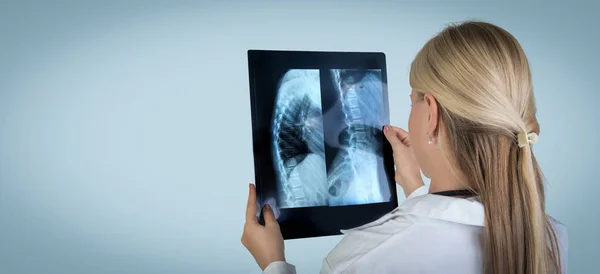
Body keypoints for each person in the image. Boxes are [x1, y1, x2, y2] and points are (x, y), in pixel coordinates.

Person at [241, 21, 568, 274]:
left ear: (432, 114)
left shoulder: (364, 255)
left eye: (413, 100)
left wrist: (274, 263)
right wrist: (415, 188)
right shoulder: (547, 237)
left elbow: (418, 242)